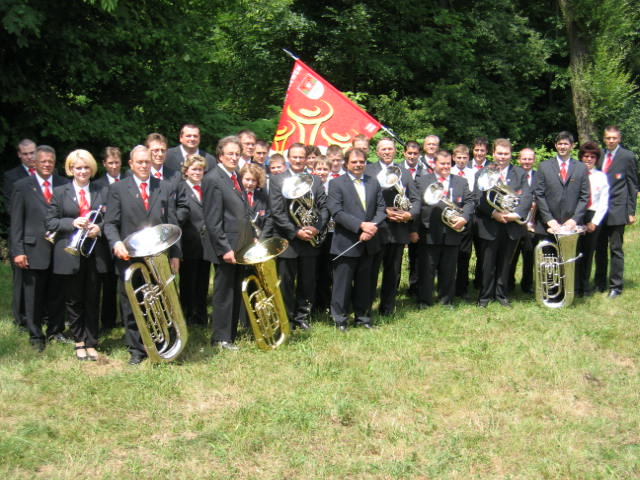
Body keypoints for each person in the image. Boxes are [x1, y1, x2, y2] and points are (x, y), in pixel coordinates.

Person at [103, 145, 181, 365]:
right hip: (129, 256)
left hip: (159, 256)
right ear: (131, 164)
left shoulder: (164, 186)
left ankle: (166, 344)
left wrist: (176, 254)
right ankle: (137, 349)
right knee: (132, 305)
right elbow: (110, 223)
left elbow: (172, 223)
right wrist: (116, 242)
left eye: (147, 161)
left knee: (164, 301)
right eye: (140, 162)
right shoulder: (118, 189)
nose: (144, 165)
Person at [45, 149, 109, 361]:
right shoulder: (60, 192)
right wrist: (72, 222)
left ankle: (92, 341)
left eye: (86, 167)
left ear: (92, 169)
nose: (82, 171)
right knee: (73, 299)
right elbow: (50, 222)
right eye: (78, 168)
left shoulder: (102, 190)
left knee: (93, 297)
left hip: (94, 252)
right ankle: (79, 341)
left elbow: (111, 218)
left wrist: (99, 228)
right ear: (70, 169)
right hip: (69, 252)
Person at [10, 145, 68, 351]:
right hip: (33, 249)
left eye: (50, 161)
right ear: (35, 162)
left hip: (59, 248)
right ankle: (35, 335)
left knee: (57, 293)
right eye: (43, 161)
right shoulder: (22, 186)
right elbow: (16, 222)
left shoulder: (64, 184)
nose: (47, 165)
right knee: (33, 295)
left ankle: (56, 331)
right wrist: (18, 251)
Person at [269, 142, 329, 329]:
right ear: (288, 158)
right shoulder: (277, 180)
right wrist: (295, 232)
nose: (298, 160)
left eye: (301, 157)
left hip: (310, 238)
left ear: (306, 159)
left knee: (308, 281)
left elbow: (324, 207)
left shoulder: (315, 180)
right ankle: (286, 318)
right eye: (294, 157)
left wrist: (317, 227)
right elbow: (277, 212)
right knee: (286, 282)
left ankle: (302, 317)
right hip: (288, 239)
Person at [202, 136, 255, 350]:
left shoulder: (235, 176)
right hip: (226, 247)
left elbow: (242, 211)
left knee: (234, 289)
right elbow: (213, 220)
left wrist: (251, 235)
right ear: (220, 156)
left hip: (240, 244)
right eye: (230, 154)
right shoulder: (213, 178)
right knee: (224, 293)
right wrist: (224, 248)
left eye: (237, 154)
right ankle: (220, 338)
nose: (234, 157)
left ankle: (230, 334)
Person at [327, 148, 386, 330]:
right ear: (346, 164)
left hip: (369, 241)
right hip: (346, 242)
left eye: (361, 161)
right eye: (354, 162)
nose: (358, 165)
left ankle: (363, 318)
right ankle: (340, 320)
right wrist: (361, 225)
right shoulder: (336, 183)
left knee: (365, 284)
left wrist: (371, 228)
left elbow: (381, 209)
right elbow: (336, 212)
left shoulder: (373, 182)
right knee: (342, 285)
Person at [365, 138, 420, 316]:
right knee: (371, 270)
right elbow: (364, 200)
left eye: (390, 149)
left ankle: (387, 308)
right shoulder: (368, 171)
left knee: (393, 271)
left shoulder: (404, 172)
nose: (387, 152)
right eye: (383, 149)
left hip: (398, 230)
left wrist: (409, 215)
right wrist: (384, 212)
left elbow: (416, 199)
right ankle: (366, 308)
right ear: (377, 152)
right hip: (377, 229)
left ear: (395, 151)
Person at [475, 138, 532, 308]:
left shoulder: (520, 173)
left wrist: (515, 214)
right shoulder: (483, 172)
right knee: (487, 263)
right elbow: (478, 198)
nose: (502, 157)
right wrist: (494, 213)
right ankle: (484, 297)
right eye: (499, 153)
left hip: (511, 225)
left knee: (505, 263)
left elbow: (526, 197)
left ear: (511, 155)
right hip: (490, 224)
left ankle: (501, 295)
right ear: (493, 154)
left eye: (506, 154)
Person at [415, 150, 474, 307]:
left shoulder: (461, 181)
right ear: (434, 164)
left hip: (452, 230)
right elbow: (416, 204)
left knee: (449, 269)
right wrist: (414, 229)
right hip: (429, 230)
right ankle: (424, 300)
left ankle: (446, 300)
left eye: (448, 164)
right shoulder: (422, 181)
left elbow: (470, 202)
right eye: (442, 164)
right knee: (427, 268)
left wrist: (464, 217)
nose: (446, 167)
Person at [594, 126, 638, 298]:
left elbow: (632, 185)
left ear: (619, 139)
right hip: (599, 210)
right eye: (608, 138)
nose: (611, 140)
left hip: (618, 209)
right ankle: (599, 283)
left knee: (616, 248)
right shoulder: (599, 155)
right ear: (604, 139)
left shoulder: (627, 156)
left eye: (614, 138)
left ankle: (616, 286)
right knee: (599, 248)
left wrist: (631, 211)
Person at [176, 154, 214, 326]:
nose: (197, 173)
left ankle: (201, 314)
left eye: (200, 170)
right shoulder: (181, 188)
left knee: (203, 281)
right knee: (188, 281)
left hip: (206, 244)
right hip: (189, 243)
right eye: (194, 169)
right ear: (186, 171)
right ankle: (188, 314)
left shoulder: (207, 188)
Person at [4, 138, 37, 330]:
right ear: (19, 155)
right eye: (25, 154)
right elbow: (13, 208)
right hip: (23, 233)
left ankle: (41, 313)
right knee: (21, 278)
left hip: (42, 235)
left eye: (32, 152)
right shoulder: (12, 177)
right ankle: (20, 318)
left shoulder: (48, 173)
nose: (29, 157)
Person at [533, 131, 590, 238]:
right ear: (555, 145)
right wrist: (549, 219)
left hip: (572, 226)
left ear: (572, 146)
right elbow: (539, 195)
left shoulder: (581, 168)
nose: (562, 147)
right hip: (548, 226)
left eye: (566, 144)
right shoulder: (544, 167)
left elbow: (585, 196)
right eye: (560, 144)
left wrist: (574, 219)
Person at [93, 147, 124, 332]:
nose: (114, 166)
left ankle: (126, 318)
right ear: (104, 164)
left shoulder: (128, 181)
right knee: (108, 281)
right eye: (110, 163)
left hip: (125, 238)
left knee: (125, 280)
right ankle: (108, 321)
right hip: (104, 240)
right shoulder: (97, 185)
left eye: (117, 163)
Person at [575, 141, 609, 297]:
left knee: (588, 253)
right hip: (576, 216)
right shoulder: (575, 174)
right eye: (586, 156)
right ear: (581, 157)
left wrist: (594, 222)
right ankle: (573, 286)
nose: (588, 159)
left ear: (596, 159)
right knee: (575, 252)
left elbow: (604, 202)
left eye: (592, 157)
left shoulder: (601, 177)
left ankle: (584, 286)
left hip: (593, 215)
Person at [508, 148, 537, 294]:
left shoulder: (539, 176)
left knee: (529, 254)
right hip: (514, 222)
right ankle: (509, 283)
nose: (527, 162)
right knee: (511, 255)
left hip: (532, 224)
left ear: (534, 160)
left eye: (530, 159)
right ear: (519, 159)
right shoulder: (512, 175)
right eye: (524, 159)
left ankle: (527, 284)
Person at [450, 144, 475, 300]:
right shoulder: (449, 172)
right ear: (453, 158)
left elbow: (474, 197)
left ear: (468, 158)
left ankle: (462, 287)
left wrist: (466, 215)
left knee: (465, 254)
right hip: (451, 219)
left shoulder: (474, 173)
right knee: (450, 255)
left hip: (467, 218)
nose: (461, 160)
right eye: (458, 157)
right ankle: (448, 286)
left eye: (464, 158)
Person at [400, 141, 423, 297]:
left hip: (417, 218)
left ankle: (414, 288)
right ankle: (392, 288)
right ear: (404, 153)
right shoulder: (396, 170)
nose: (412, 156)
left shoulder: (426, 172)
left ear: (419, 155)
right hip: (398, 218)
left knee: (416, 256)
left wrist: (414, 226)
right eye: (409, 153)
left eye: (415, 153)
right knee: (394, 258)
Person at [239, 162, 270, 236]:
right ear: (241, 178)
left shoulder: (263, 197)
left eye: (254, 180)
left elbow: (269, 219)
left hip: (260, 238)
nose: (250, 183)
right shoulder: (235, 195)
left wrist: (262, 238)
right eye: (247, 179)